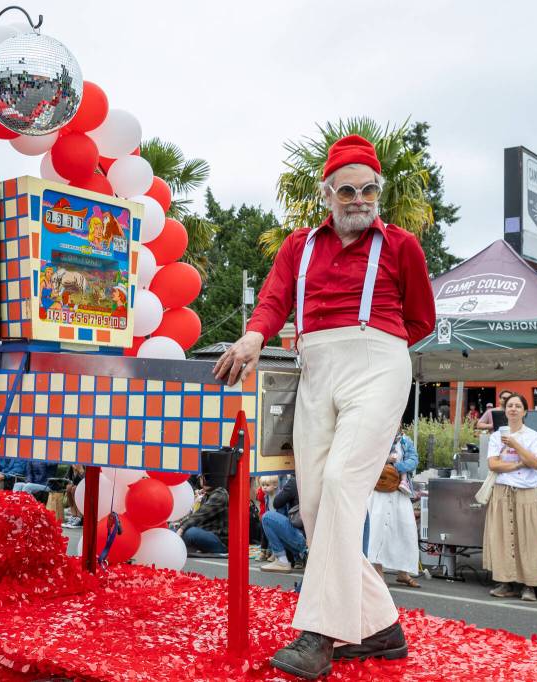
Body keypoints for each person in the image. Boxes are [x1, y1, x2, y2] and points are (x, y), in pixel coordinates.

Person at [214, 134, 434, 677]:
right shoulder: (297, 246)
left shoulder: (402, 245)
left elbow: (421, 320)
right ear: (327, 194)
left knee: (339, 486)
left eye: (369, 189)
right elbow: (271, 302)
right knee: (313, 504)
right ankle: (381, 628)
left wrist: (375, 345)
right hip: (314, 368)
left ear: (378, 192)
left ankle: (320, 634)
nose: (359, 199)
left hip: (378, 364)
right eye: (347, 190)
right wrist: (254, 337)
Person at [482, 394, 537, 602]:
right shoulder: (496, 436)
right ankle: (505, 582)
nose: (513, 409)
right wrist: (519, 464)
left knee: (529, 538)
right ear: (504, 410)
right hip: (502, 490)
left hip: (527, 491)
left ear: (525, 411)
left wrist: (516, 445)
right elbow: (493, 465)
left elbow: (536, 463)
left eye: (518, 406)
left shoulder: (533, 436)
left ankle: (530, 585)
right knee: (503, 537)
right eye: (510, 406)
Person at [366, 431, 421, 588]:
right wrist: (386, 461)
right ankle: (377, 571)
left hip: (400, 491)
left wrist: (395, 466)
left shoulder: (405, 440)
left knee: (404, 530)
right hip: (379, 490)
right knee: (377, 530)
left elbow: (413, 460)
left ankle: (403, 572)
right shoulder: (376, 437)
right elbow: (370, 459)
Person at [261, 475, 307, 573]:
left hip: (302, 539)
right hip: (317, 539)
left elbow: (277, 503)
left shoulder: (296, 481)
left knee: (267, 517)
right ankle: (298, 556)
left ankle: (282, 560)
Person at [177, 474, 229, 554]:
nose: (206, 481)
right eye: (203, 478)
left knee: (191, 533)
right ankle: (185, 548)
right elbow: (196, 517)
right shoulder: (206, 495)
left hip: (220, 540)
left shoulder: (220, 494)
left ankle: (181, 549)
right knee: (173, 531)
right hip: (207, 533)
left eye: (208, 478)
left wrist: (182, 528)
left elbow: (199, 516)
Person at [256, 475, 280, 561]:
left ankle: (273, 552)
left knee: (273, 535)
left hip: (273, 517)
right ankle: (264, 551)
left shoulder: (277, 495)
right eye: (263, 485)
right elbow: (259, 498)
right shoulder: (266, 496)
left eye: (267, 485)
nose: (264, 487)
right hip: (264, 515)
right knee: (264, 534)